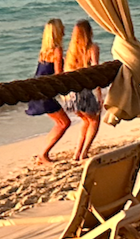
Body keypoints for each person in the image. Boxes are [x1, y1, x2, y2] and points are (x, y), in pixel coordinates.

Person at [25, 18, 70, 163]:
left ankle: (43, 153)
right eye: (62, 28)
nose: (64, 30)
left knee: (60, 123)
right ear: (57, 32)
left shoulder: (44, 51)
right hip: (44, 93)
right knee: (64, 123)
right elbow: (59, 75)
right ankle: (43, 154)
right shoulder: (57, 50)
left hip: (37, 90)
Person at [64, 19, 103, 160]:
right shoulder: (92, 48)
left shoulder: (70, 51)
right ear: (89, 32)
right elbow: (95, 71)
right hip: (83, 91)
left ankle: (77, 153)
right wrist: (99, 94)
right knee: (94, 121)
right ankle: (84, 152)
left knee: (86, 121)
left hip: (70, 92)